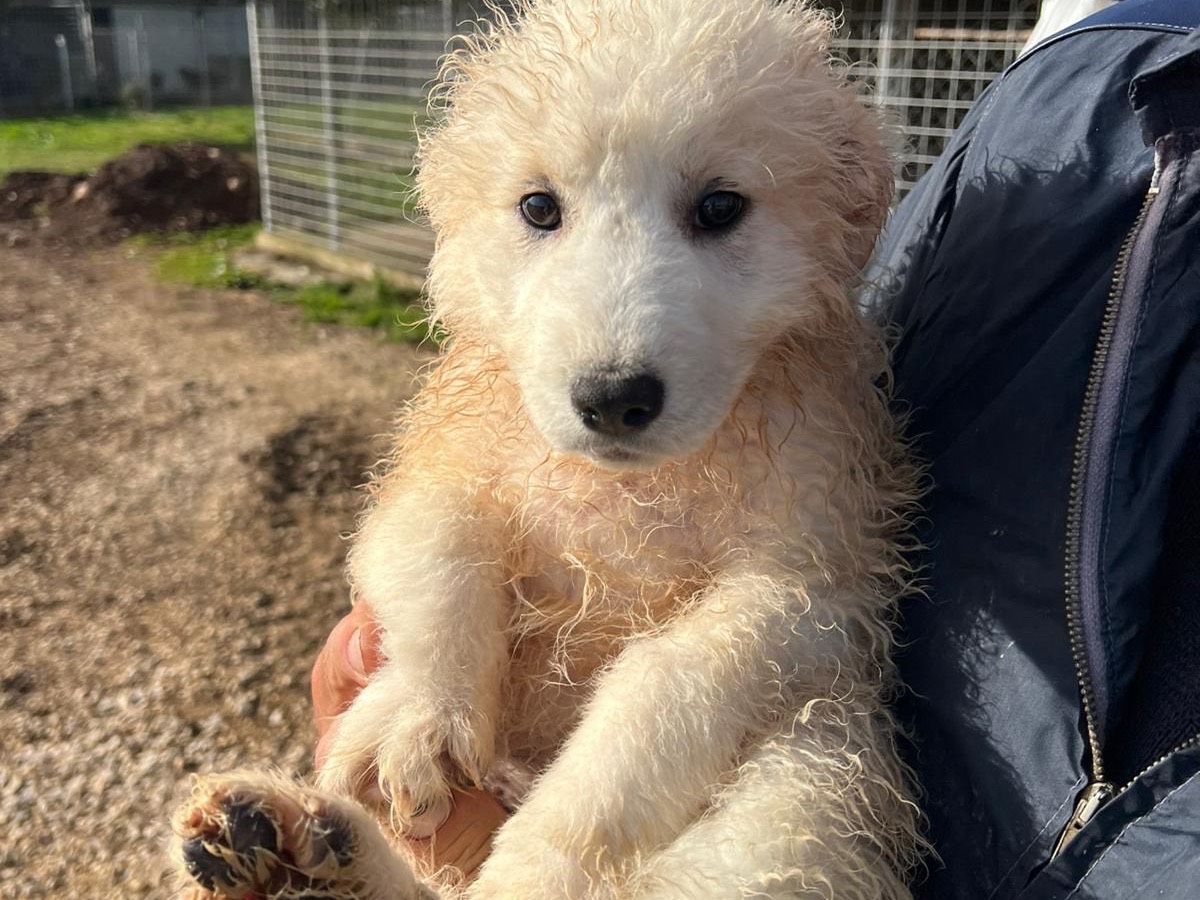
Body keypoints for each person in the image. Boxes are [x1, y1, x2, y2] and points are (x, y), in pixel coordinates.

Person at [312, 1, 1200, 895]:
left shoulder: (815, 402)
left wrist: (566, 846)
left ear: (849, 209)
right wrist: (439, 668)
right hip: (495, 781)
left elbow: (797, 608)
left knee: (818, 766)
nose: (616, 338)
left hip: (693, 788)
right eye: (540, 209)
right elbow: (428, 511)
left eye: (718, 209)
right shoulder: (484, 382)